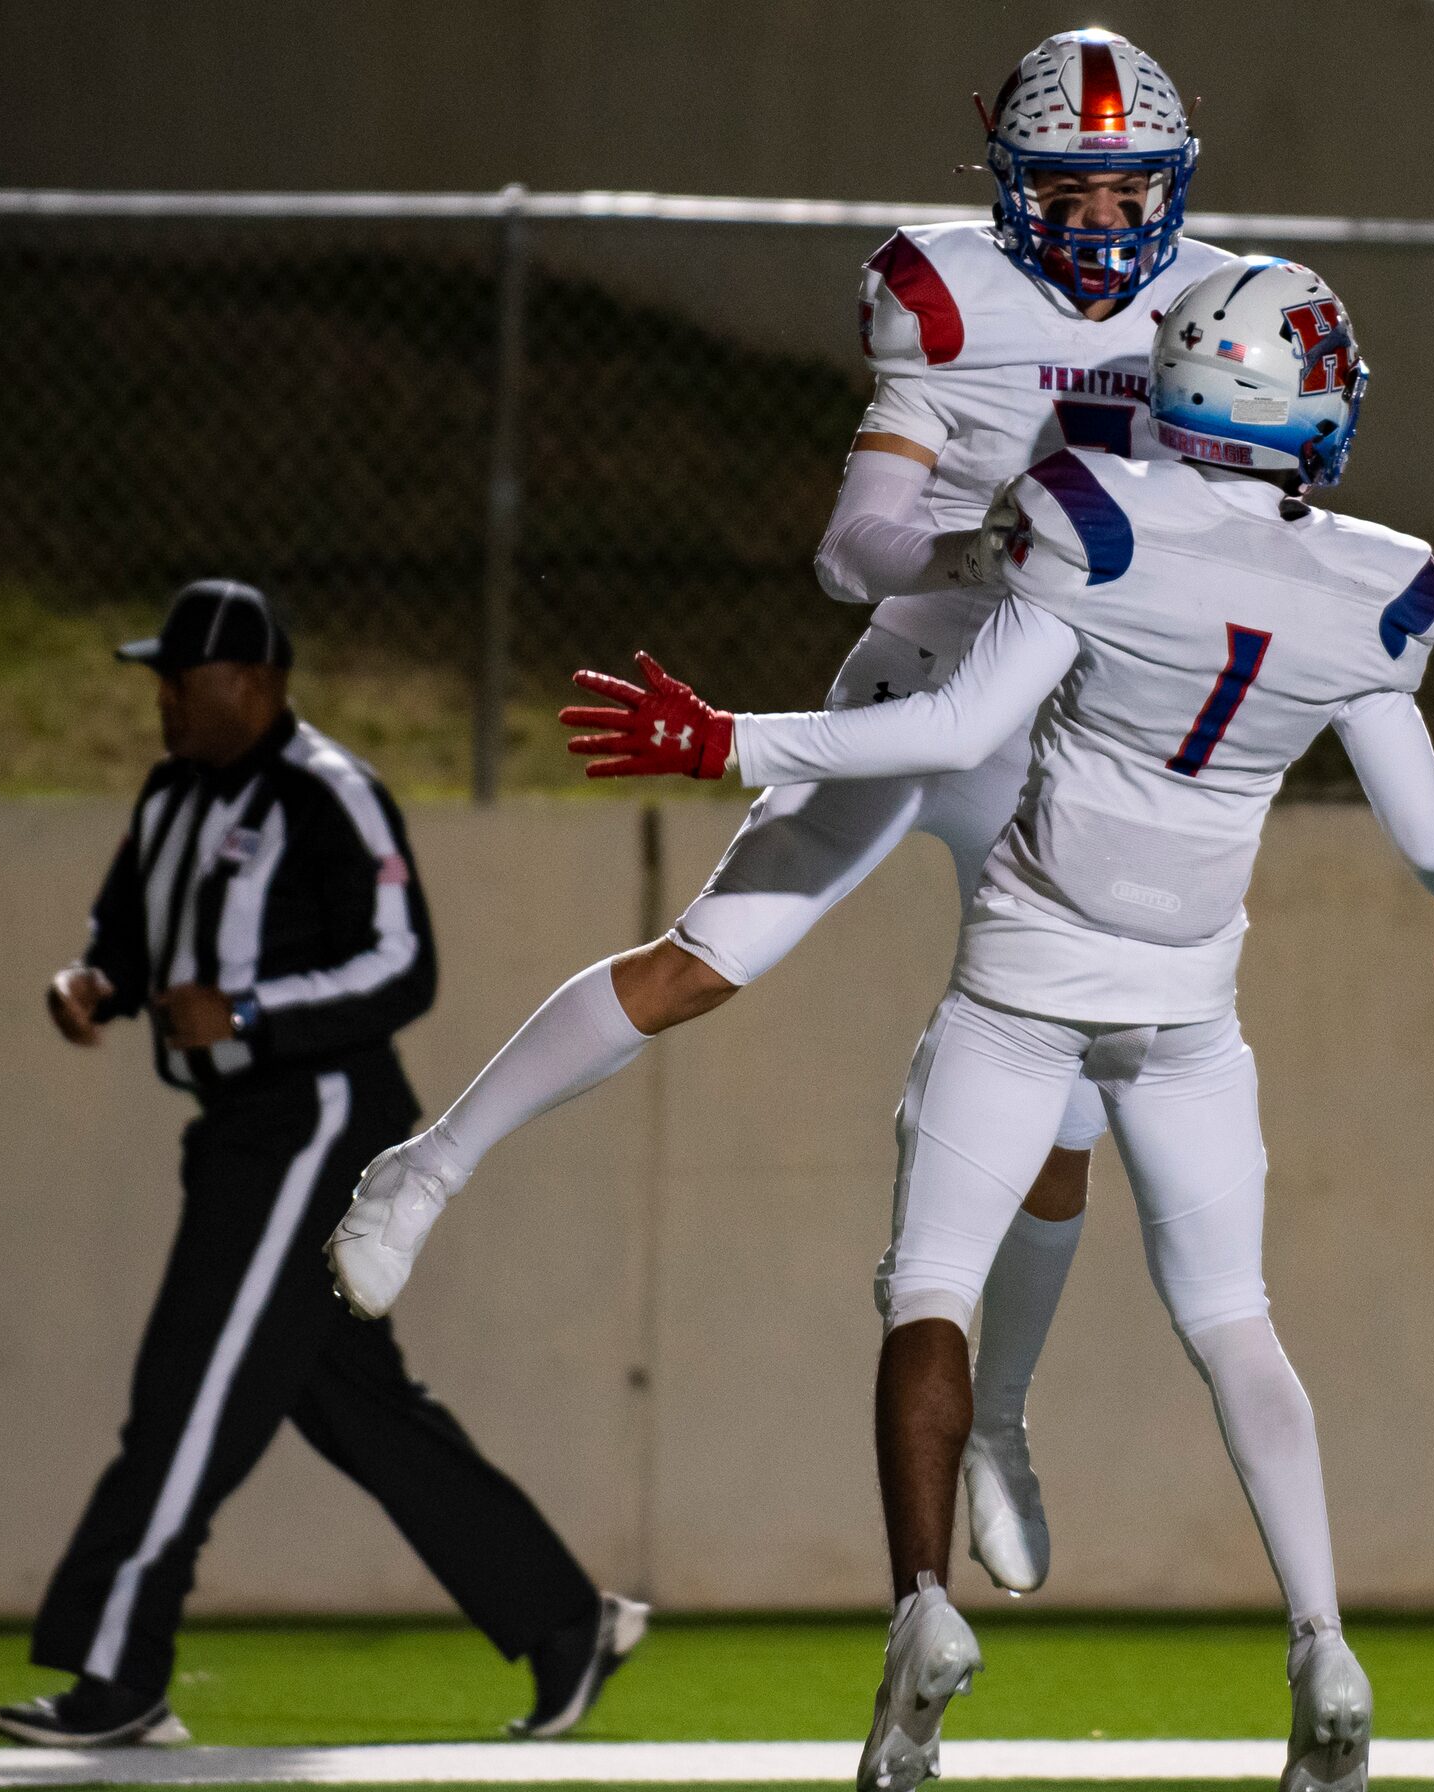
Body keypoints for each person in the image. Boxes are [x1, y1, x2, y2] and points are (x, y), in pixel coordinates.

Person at [553, 259, 1434, 1792]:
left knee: (930, 1285)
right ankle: (1323, 1643)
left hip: (1031, 970)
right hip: (1187, 997)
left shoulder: (1089, 510)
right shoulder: (1383, 581)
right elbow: (1429, 835)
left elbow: (949, 728)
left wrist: (728, 738)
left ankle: (920, 1608)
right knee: (1233, 1319)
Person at [327, 28, 1223, 1596]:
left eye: (1122, 192)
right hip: (923, 687)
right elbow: (855, 541)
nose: (1096, 225)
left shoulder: (1222, 302)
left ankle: (999, 1418)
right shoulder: (944, 297)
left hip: (1074, 738)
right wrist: (980, 554)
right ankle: (425, 1166)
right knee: (704, 958)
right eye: (1067, 194)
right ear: (1009, 188)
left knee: (1066, 1141)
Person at [0, 579, 645, 1750]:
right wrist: (91, 980)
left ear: (255, 684)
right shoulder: (168, 791)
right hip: (235, 1136)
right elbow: (128, 935)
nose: (163, 706)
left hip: (314, 1125)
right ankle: (560, 1622)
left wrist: (247, 1013)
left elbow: (404, 968)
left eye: (180, 684)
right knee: (355, 1406)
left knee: (188, 1388)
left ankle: (115, 1666)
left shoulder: (329, 795)